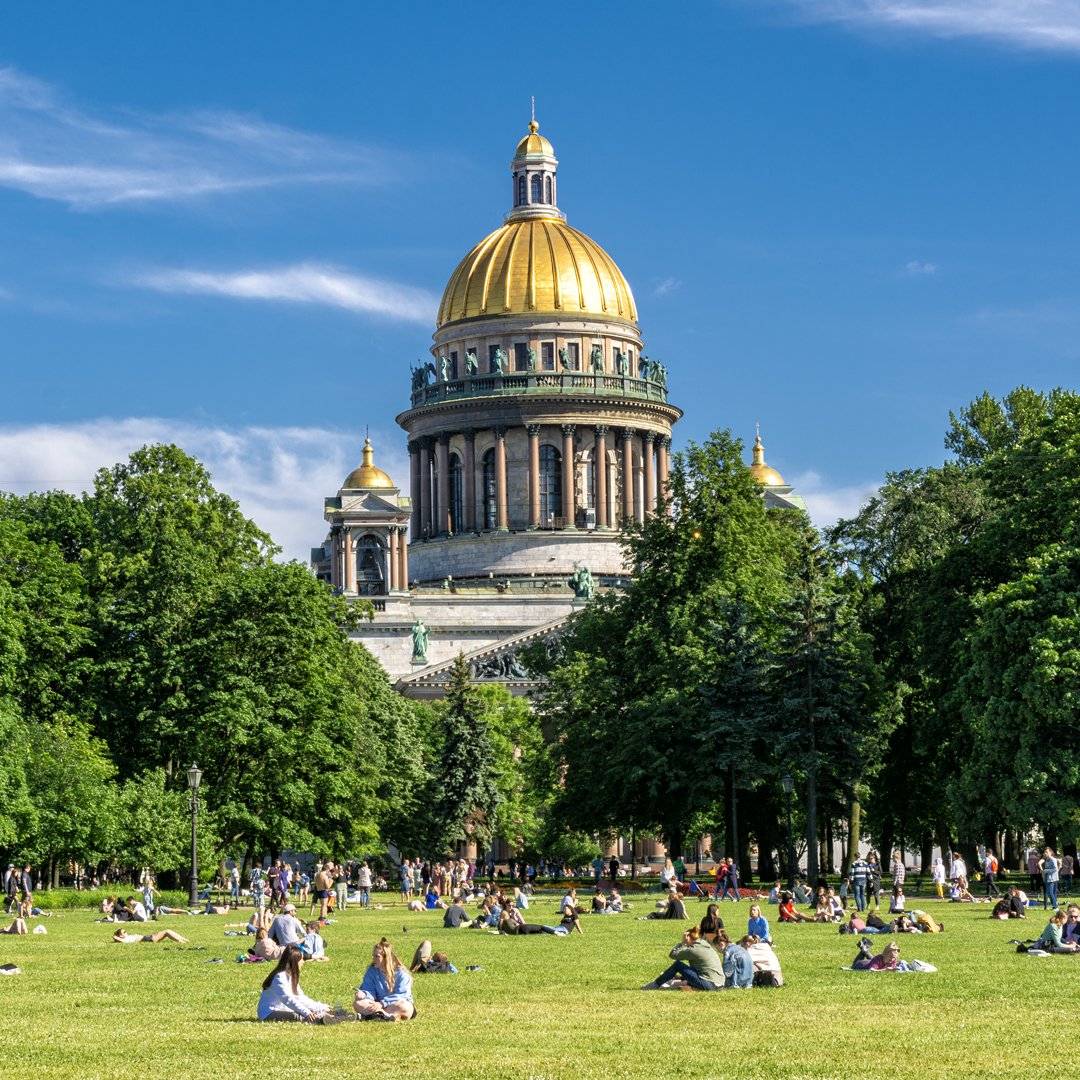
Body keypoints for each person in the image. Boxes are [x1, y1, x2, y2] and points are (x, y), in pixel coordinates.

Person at [257, 945, 334, 1023]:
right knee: (296, 1015)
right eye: (301, 959)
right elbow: (288, 1000)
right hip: (269, 1013)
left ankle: (328, 1016)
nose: (303, 962)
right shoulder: (279, 977)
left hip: (285, 1009)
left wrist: (322, 1007)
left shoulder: (291, 976)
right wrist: (307, 1013)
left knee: (306, 1011)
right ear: (294, 962)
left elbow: (300, 998)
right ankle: (320, 1020)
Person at [641, 926, 726, 991]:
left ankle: (655, 985)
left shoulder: (693, 950)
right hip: (719, 985)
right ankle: (674, 982)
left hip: (709, 984)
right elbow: (699, 969)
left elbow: (672, 954)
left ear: (688, 938)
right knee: (691, 970)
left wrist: (682, 943)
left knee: (678, 965)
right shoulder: (707, 947)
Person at [354, 938, 416, 1021]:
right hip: (377, 1004)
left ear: (386, 958)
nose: (373, 959)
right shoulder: (372, 971)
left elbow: (402, 994)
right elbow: (369, 990)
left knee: (405, 1006)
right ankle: (385, 1016)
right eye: (373, 956)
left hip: (394, 1004)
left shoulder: (401, 973)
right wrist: (363, 994)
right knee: (357, 1003)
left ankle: (374, 1015)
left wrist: (382, 1003)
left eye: (377, 956)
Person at [112, 927, 188, 944]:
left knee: (168, 931)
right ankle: (181, 941)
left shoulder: (126, 937)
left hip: (148, 937)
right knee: (167, 931)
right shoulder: (125, 940)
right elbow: (121, 940)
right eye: (124, 932)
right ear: (121, 936)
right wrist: (115, 937)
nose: (126, 932)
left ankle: (183, 939)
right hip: (147, 939)